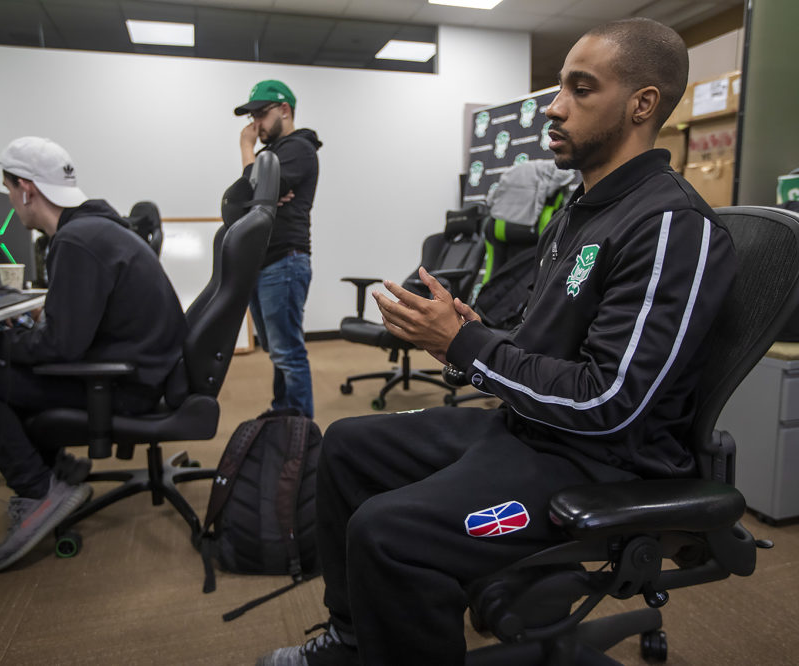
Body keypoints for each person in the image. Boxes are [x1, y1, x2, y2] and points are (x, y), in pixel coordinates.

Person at [257, 17, 737, 666]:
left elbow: (608, 401)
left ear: (642, 104)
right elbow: (552, 348)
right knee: (346, 445)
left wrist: (466, 346)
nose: (556, 108)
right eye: (558, 88)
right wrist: (472, 331)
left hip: (602, 464)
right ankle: (355, 641)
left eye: (580, 90)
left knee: (390, 532)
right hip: (532, 431)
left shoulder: (670, 224)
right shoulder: (582, 210)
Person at [0, 136, 187, 574]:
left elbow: (60, 348)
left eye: (10, 190)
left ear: (27, 189)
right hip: (142, 371)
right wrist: (46, 315)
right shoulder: (97, 227)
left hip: (122, 386)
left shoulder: (74, 241)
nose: (12, 202)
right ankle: (58, 468)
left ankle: (38, 491)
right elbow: (82, 323)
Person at [233, 79, 322, 418]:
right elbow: (252, 195)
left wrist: (246, 149)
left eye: (261, 114)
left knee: (287, 353)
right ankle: (283, 411)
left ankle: (300, 430)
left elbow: (254, 192)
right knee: (276, 349)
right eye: (251, 116)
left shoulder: (299, 148)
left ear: (284, 110)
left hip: (285, 260)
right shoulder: (271, 156)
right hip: (266, 261)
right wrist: (260, 189)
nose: (254, 124)